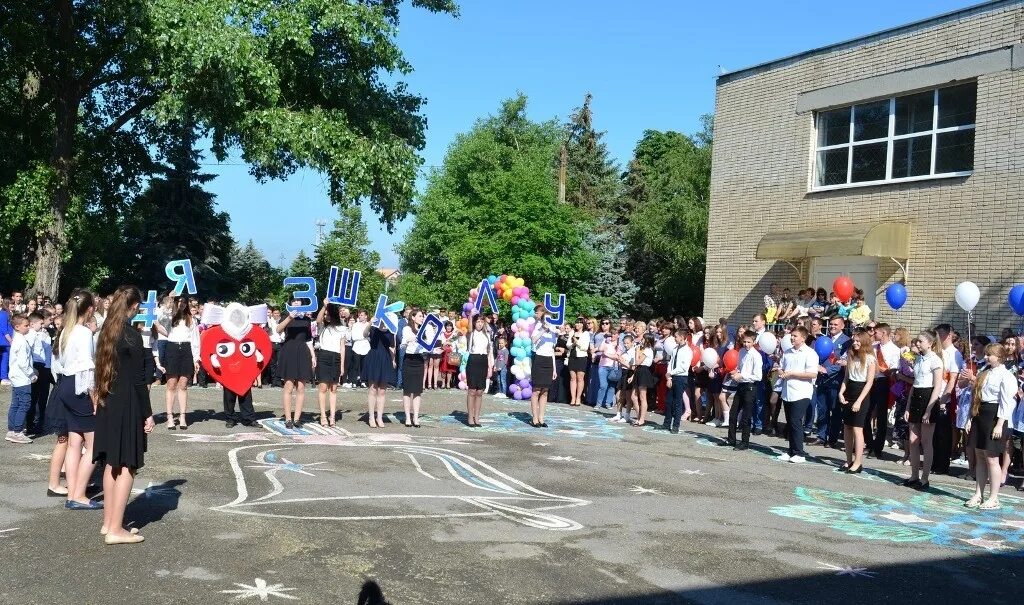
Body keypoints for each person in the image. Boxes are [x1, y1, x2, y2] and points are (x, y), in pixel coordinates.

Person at [92, 286, 154, 544]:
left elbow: (99, 369)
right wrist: (148, 414)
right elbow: (140, 380)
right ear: (133, 306)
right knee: (128, 464)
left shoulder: (107, 330)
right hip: (127, 403)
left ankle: (109, 523)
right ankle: (117, 529)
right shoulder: (131, 335)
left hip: (109, 400)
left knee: (111, 463)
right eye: (137, 306)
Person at [55, 291, 103, 509]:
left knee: (75, 442)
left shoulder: (67, 329)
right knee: (94, 444)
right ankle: (78, 494)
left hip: (65, 385)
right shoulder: (83, 333)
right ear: (90, 310)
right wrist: (94, 398)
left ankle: (72, 493)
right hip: (78, 386)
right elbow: (87, 368)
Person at [965, 343, 1017, 509]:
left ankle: (994, 497)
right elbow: (976, 396)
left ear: (999, 356)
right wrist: (969, 418)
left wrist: (999, 424)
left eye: (990, 354)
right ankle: (978, 494)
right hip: (980, 414)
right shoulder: (984, 373)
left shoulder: (1006, 376)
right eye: (986, 354)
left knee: (992, 458)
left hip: (994, 415)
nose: (986, 357)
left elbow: (1006, 401)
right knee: (979, 455)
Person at [903, 330, 945, 490]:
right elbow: (915, 384)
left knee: (926, 442)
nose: (917, 344)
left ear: (930, 343)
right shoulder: (919, 359)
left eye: (921, 341)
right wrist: (908, 406)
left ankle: (924, 478)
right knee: (913, 441)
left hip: (929, 399)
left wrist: (929, 409)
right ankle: (914, 475)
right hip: (916, 398)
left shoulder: (936, 361)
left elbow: (937, 386)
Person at [778, 326, 819, 463]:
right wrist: (780, 371)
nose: (792, 338)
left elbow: (812, 373)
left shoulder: (810, 353)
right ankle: (791, 451)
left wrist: (792, 373)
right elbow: (781, 366)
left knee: (796, 421)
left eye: (795, 336)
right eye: (792, 335)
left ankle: (799, 452)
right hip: (787, 391)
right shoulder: (788, 352)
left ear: (803, 338)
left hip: (801, 392)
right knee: (790, 421)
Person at [838, 331, 876, 473]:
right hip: (849, 391)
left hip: (862, 394)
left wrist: (859, 401)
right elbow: (846, 378)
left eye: (858, 341)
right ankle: (848, 460)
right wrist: (841, 392)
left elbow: (869, 382)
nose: (855, 343)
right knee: (847, 427)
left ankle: (858, 462)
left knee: (857, 428)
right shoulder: (851, 356)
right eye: (854, 341)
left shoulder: (870, 358)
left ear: (865, 342)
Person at [276, 300, 315, 429]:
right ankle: (288, 418)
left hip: (303, 351)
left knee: (301, 387)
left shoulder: (307, 319)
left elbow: (309, 340)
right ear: (291, 304)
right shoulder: (286, 316)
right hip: (289, 351)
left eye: (299, 303)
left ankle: (297, 419)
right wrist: (289, 317)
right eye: (295, 303)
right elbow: (278, 330)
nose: (297, 305)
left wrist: (313, 355)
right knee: (288, 386)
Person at [812, 317, 850, 448]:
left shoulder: (847, 341)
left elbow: (843, 362)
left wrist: (827, 370)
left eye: (835, 324)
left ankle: (832, 439)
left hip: (836, 380)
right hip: (822, 380)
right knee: (822, 409)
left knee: (835, 411)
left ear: (842, 326)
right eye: (831, 324)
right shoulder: (823, 339)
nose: (832, 326)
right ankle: (821, 436)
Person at [163, 296, 199, 430]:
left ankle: (183, 416)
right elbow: (160, 315)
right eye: (179, 302)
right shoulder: (169, 316)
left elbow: (195, 340)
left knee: (183, 384)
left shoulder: (191, 319)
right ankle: (170, 417)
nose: (182, 304)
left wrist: (196, 358)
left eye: (184, 302)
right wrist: (170, 300)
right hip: (172, 348)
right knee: (171, 384)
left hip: (186, 349)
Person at [932, 324, 963, 475]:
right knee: (933, 432)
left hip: (944, 397)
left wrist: (944, 399)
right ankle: (933, 462)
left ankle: (942, 465)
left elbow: (953, 379)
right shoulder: (937, 352)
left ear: (949, 335)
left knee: (943, 433)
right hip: (932, 394)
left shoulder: (954, 353)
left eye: (940, 334)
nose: (937, 338)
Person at [868, 323, 901, 459]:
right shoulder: (873, 347)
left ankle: (878, 447)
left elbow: (892, 371)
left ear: (884, 333)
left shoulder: (894, 350)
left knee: (881, 417)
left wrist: (877, 366)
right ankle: (869, 443)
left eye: (876, 332)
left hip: (883, 383)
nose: (873, 334)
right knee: (865, 414)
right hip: (870, 381)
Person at [725, 330, 762, 450]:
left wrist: (742, 376)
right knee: (733, 414)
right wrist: (737, 372)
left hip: (750, 387)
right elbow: (740, 367)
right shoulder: (741, 351)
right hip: (741, 385)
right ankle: (731, 440)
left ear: (754, 342)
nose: (746, 344)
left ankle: (745, 442)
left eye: (749, 342)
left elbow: (758, 376)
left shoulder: (756, 355)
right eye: (744, 341)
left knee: (746, 416)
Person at [5, 315, 37, 444]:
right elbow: (23, 363)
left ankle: (12, 429)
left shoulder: (18, 339)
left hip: (16, 377)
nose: (28, 327)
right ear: (17, 327)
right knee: (24, 403)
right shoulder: (21, 341)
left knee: (16, 403)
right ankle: (17, 431)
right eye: (26, 325)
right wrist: (32, 374)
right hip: (22, 378)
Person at [315, 301, 347, 427]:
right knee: (323, 388)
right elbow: (318, 319)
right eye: (325, 314)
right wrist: (324, 306)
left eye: (329, 314)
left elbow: (343, 348)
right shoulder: (322, 327)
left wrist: (342, 366)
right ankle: (323, 415)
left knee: (334, 388)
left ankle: (332, 416)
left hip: (336, 358)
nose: (326, 316)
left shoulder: (342, 328)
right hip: (323, 356)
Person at [362, 315, 396, 428]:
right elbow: (364, 334)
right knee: (373, 389)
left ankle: (379, 417)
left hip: (385, 359)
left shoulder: (390, 331)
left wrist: (393, 360)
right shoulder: (373, 328)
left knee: (382, 390)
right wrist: (370, 323)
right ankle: (371, 417)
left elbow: (392, 346)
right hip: (374, 357)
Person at [26, 311, 54, 436]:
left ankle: (36, 423)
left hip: (44, 367)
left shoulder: (41, 334)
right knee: (36, 398)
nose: (43, 326)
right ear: (32, 324)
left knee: (40, 397)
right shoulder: (32, 335)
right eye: (41, 323)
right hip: (38, 367)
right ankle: (34, 424)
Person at [530, 308, 557, 427]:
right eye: (546, 318)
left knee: (545, 391)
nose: (548, 320)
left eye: (550, 318)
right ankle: (534, 418)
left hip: (548, 361)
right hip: (539, 359)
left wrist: (554, 369)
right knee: (536, 390)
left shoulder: (553, 331)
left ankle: (541, 418)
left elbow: (552, 350)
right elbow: (534, 340)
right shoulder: (538, 327)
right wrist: (543, 330)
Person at [464, 315, 494, 428]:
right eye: (478, 322)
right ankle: (470, 416)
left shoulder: (487, 334)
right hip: (473, 360)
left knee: (480, 391)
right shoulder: (471, 333)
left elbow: (490, 351)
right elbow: (470, 328)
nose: (480, 324)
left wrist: (490, 366)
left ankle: (477, 416)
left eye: (482, 322)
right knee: (472, 390)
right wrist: (471, 315)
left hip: (483, 361)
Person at [399, 309, 426, 426]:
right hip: (409, 359)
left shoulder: (423, 330)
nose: (422, 318)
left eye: (422, 316)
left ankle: (415, 417)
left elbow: (427, 346)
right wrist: (408, 340)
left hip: (419, 360)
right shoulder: (407, 328)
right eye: (420, 316)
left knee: (417, 391)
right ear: (413, 317)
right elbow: (402, 345)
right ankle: (407, 418)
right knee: (407, 390)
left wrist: (435, 349)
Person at [664, 329, 693, 433]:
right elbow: (671, 362)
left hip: (681, 377)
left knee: (677, 402)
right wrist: (669, 376)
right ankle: (666, 423)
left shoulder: (687, 351)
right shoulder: (675, 349)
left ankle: (676, 425)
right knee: (668, 401)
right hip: (672, 376)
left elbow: (683, 367)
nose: (675, 338)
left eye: (676, 336)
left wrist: (671, 373)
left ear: (682, 337)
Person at [630, 334, 656, 427]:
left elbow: (637, 362)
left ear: (648, 341)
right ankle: (639, 416)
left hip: (644, 371)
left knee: (642, 397)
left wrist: (637, 352)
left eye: (643, 339)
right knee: (633, 396)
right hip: (639, 371)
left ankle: (641, 419)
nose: (641, 340)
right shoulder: (644, 349)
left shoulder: (648, 350)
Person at [567, 318, 591, 407]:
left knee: (580, 378)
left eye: (579, 323)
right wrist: (572, 344)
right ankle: (573, 398)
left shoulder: (586, 334)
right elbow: (568, 345)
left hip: (581, 357)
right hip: (572, 357)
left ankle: (578, 398)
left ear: (582, 324)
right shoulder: (572, 332)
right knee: (572, 378)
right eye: (576, 322)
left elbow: (585, 347)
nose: (577, 324)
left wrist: (577, 342)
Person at [349, 309, 371, 388]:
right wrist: (364, 337)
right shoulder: (355, 325)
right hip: (357, 346)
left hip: (366, 346)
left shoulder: (369, 324)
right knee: (356, 365)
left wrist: (365, 337)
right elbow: (354, 337)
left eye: (362, 315)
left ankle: (363, 381)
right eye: (359, 315)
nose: (360, 316)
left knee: (364, 365)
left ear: (366, 316)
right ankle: (354, 381)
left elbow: (369, 335)